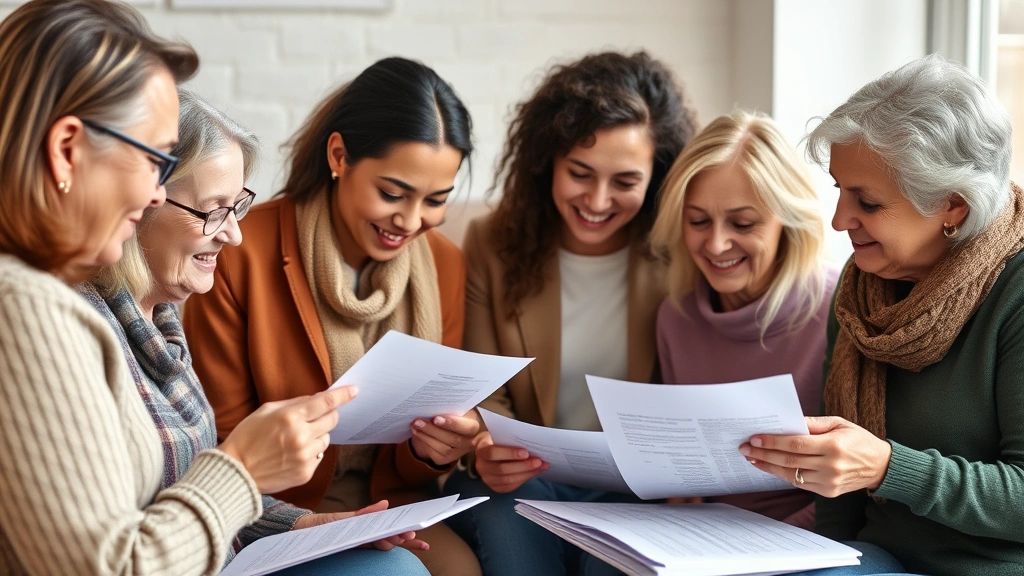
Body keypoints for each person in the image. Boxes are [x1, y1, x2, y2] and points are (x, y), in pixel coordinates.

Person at [0, 1, 358, 574]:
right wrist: (240, 467)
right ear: (67, 150)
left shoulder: (149, 315)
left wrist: (301, 522)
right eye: (150, 161)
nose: (154, 196)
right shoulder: (26, 307)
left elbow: (164, 494)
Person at [79, 88, 428, 574]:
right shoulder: (79, 338)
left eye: (237, 206)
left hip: (220, 554)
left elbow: (197, 489)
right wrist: (242, 464)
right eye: (212, 209)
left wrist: (314, 526)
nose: (234, 234)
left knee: (396, 565)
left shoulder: (162, 319)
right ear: (140, 203)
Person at [182, 57, 481, 576]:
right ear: (339, 155)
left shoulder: (445, 265)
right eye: (392, 193)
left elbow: (422, 454)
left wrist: (438, 448)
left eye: (435, 200)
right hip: (276, 511)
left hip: (395, 503)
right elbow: (223, 436)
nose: (411, 222)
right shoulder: (240, 251)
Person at [739, 54, 1024, 576]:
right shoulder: (861, 291)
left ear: (953, 206)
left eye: (866, 202)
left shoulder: (1016, 293)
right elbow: (837, 506)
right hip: (873, 561)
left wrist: (890, 468)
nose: (838, 219)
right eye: (839, 190)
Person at [443, 51, 697, 576]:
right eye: (580, 173)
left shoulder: (682, 253)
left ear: (659, 176)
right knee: (513, 539)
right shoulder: (493, 243)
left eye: (625, 182)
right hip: (520, 476)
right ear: (548, 162)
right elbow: (485, 389)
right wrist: (488, 445)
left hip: (635, 483)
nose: (597, 200)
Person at [649, 110, 835, 529]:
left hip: (807, 537)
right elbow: (685, 472)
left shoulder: (838, 311)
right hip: (704, 534)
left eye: (743, 223)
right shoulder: (675, 319)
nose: (715, 243)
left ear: (787, 221)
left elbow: (851, 483)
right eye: (698, 221)